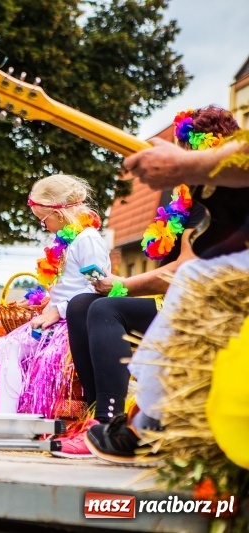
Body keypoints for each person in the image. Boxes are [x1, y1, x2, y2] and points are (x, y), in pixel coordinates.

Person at [63, 106, 241, 457]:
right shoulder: (185, 198)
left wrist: (121, 285)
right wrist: (115, 283)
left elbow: (180, 273)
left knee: (105, 310)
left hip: (208, 310)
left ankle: (114, 421)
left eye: (185, 147)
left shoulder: (217, 195)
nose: (179, 156)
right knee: (81, 304)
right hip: (178, 302)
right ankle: (93, 411)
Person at [0, 174, 110, 427]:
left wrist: (58, 311)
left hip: (73, 324)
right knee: (1, 348)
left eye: (44, 220)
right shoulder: (71, 240)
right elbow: (70, 285)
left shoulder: (87, 240)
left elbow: (98, 288)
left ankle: (7, 422)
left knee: (10, 347)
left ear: (61, 211)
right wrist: (45, 298)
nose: (44, 226)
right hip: (59, 318)